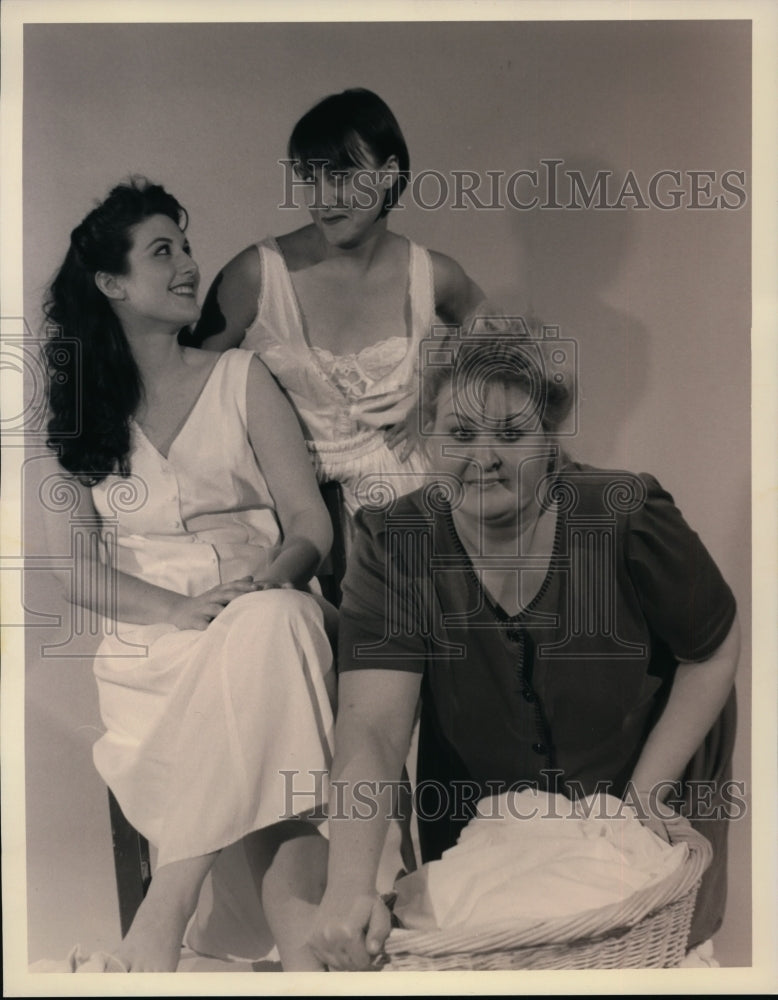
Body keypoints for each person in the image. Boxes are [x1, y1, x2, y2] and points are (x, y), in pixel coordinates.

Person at [309, 325, 740, 970]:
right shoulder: (395, 543)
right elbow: (370, 726)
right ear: (426, 435)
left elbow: (712, 645)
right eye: (459, 433)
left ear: (551, 437)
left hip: (637, 799)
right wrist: (348, 883)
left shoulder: (625, 515)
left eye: (510, 435)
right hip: (485, 829)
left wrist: (647, 798)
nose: (483, 457)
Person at [40, 178, 337, 972]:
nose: (188, 266)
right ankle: (304, 938)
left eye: (187, 246)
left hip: (269, 604)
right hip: (155, 648)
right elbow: (79, 575)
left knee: (271, 629)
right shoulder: (78, 417)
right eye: (162, 251)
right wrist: (181, 610)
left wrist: (272, 580)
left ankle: (159, 924)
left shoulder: (241, 378)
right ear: (111, 284)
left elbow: (311, 523)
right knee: (270, 705)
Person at [188, 87, 487, 518]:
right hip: (279, 504)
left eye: (343, 176)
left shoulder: (432, 274)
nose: (324, 198)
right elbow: (192, 388)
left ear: (389, 173)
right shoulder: (256, 274)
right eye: (311, 178)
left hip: (409, 504)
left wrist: (437, 403)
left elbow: (504, 347)